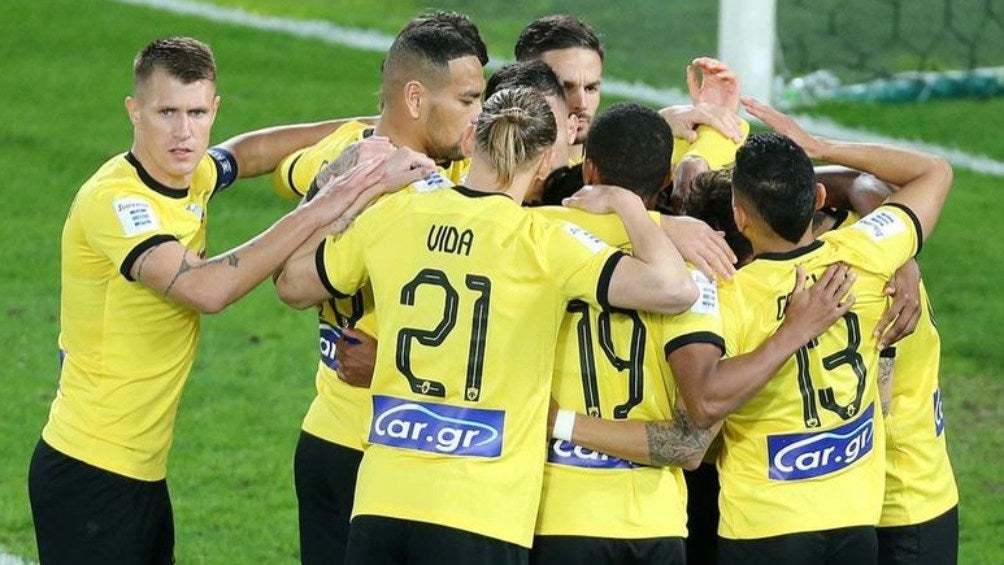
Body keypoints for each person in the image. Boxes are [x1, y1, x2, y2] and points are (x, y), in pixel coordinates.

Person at [27, 36, 433, 564]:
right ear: (134, 111)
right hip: (89, 470)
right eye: (167, 112)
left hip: (138, 471)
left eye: (196, 113)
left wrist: (371, 129)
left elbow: (249, 152)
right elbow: (206, 289)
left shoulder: (188, 174)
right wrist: (331, 200)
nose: (183, 131)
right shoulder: (116, 202)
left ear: (214, 110)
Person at [275, 87, 699, 564]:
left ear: (471, 138)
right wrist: (628, 205)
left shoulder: (397, 214)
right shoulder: (544, 240)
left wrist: (343, 189)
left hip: (383, 500)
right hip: (483, 511)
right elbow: (674, 288)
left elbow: (292, 283)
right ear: (545, 163)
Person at [558, 97, 954, 564]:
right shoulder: (867, 253)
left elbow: (701, 409)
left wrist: (790, 333)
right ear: (818, 199)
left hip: (765, 530)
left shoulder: (722, 292)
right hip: (855, 525)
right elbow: (933, 171)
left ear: (740, 216)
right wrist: (820, 146)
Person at [269, 13, 489, 564]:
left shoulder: (346, 152)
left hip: (331, 434)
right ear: (415, 98)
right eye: (468, 101)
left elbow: (281, 168)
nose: (479, 118)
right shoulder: (418, 195)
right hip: (388, 449)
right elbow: (293, 284)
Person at [514, 15, 603, 163]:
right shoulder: (481, 167)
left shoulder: (612, 172)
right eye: (564, 88)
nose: (582, 104)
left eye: (590, 88)